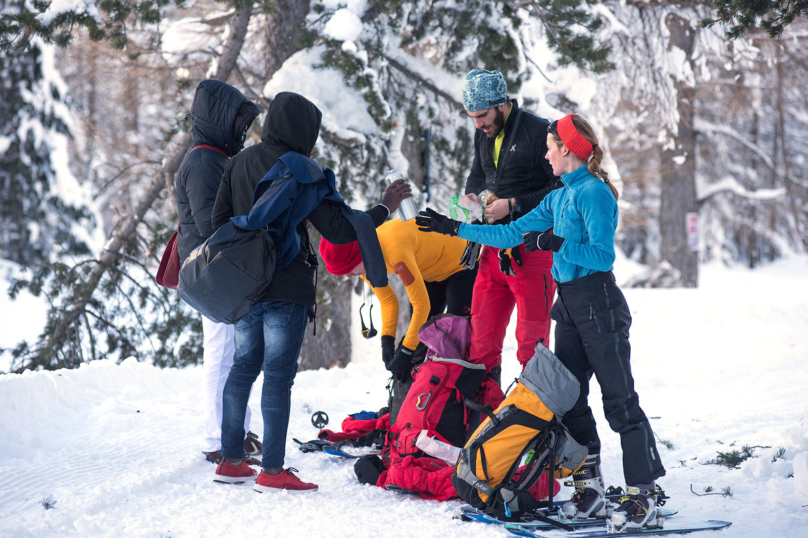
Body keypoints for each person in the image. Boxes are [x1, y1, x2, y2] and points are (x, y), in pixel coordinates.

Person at [416, 114, 666, 529]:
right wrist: (455, 227)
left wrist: (555, 243)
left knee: (619, 401)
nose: (546, 153)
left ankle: (644, 495)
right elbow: (509, 234)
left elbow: (603, 256)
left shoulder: (594, 193)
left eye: (551, 146)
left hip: (598, 304)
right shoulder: (558, 196)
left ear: (567, 149)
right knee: (568, 400)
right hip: (568, 306)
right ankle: (591, 490)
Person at [209, 91, 411, 493]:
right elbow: (339, 229)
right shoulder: (303, 170)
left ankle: (230, 460)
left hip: (245, 287)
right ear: (303, 129)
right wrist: (384, 208)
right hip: (287, 286)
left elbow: (220, 222)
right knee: (278, 377)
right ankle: (271, 470)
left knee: (244, 367)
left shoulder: (238, 163)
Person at [174, 79, 262, 464]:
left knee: (233, 355)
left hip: (219, 270)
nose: (240, 133)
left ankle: (235, 432)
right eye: (237, 124)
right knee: (223, 355)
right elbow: (213, 225)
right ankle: (215, 438)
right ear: (220, 120)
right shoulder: (202, 161)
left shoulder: (212, 158)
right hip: (212, 274)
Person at [318, 218, 477, 420]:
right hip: (428, 272)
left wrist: (405, 352)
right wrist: (387, 340)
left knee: (457, 340)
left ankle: (465, 410)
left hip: (460, 265)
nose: (349, 276)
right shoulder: (365, 261)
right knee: (420, 339)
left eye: (348, 269)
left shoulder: (395, 251)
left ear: (360, 255)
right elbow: (388, 301)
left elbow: (422, 306)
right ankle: (420, 411)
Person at [459, 69, 561, 382]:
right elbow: (478, 174)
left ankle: (534, 421)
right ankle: (482, 418)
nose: (477, 123)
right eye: (472, 117)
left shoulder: (537, 130)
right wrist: (471, 195)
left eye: (482, 116)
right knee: (481, 341)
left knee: (532, 345)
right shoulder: (484, 132)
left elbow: (560, 187)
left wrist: (515, 204)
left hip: (533, 250)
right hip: (492, 248)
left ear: (502, 104)